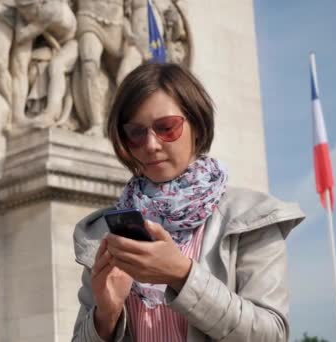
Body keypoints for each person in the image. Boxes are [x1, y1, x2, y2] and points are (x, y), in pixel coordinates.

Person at [71, 62, 305, 341]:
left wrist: (181, 274)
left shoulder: (251, 218)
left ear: (197, 125)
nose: (151, 144)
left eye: (167, 128)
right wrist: (106, 315)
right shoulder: (106, 233)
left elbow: (272, 335)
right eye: (136, 132)